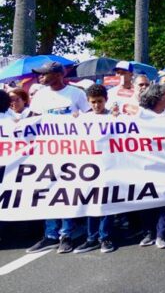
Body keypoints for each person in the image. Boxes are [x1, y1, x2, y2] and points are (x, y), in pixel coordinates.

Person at [26, 61, 91, 255]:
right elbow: (32, 120)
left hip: (71, 153)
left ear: (58, 74)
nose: (40, 77)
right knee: (48, 192)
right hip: (46, 153)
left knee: (66, 192)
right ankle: (50, 234)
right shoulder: (40, 95)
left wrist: (80, 119)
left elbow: (91, 119)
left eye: (44, 74)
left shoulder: (76, 94)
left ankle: (66, 234)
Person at [74, 84, 116, 254]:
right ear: (88, 102)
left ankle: (105, 237)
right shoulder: (83, 119)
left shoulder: (114, 118)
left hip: (109, 166)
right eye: (93, 102)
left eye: (100, 101)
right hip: (89, 168)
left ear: (106, 100)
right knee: (91, 202)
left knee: (106, 203)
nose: (97, 105)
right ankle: (92, 238)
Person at [137, 84, 165, 249]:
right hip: (145, 167)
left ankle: (162, 234)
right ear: (158, 99)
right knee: (147, 201)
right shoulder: (141, 116)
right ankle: (149, 233)